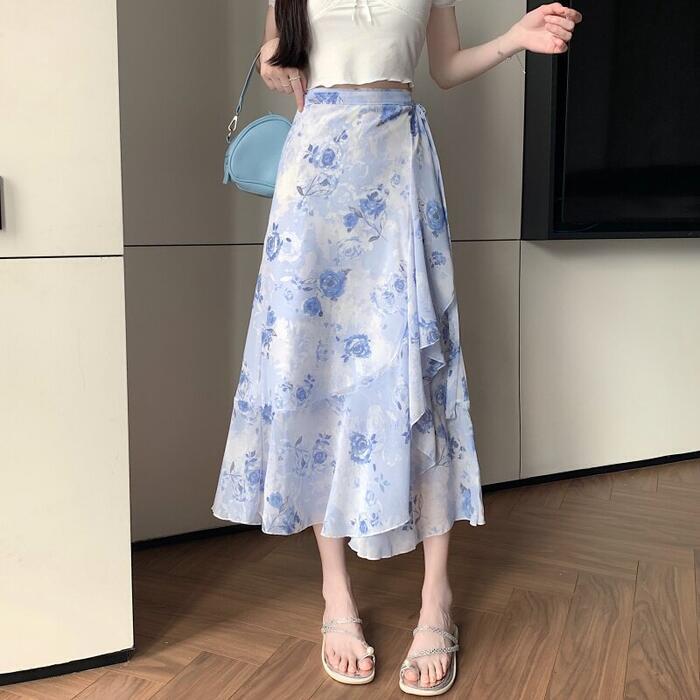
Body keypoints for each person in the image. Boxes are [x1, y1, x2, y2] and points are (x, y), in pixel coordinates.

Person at [212, 0, 581, 694]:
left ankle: (436, 598)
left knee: (421, 368)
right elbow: (276, 56)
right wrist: (267, 61)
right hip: (314, 180)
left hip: (398, 168)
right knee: (312, 373)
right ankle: (336, 595)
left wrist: (512, 38)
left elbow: (445, 67)